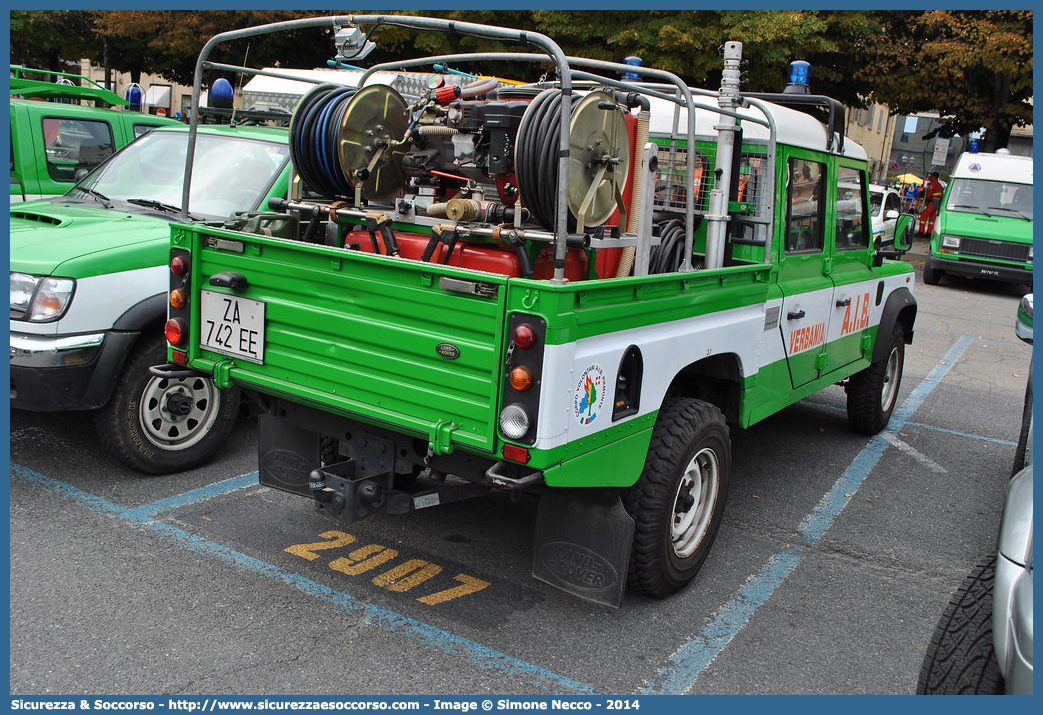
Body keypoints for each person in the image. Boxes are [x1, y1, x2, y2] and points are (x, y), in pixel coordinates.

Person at [918, 171, 943, 236]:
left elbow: (929, 194)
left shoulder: (932, 184)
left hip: (932, 202)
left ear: (934, 176)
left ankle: (921, 231)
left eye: (931, 176)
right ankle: (929, 233)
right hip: (936, 203)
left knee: (924, 216)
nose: (930, 177)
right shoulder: (939, 185)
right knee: (932, 218)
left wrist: (926, 198)